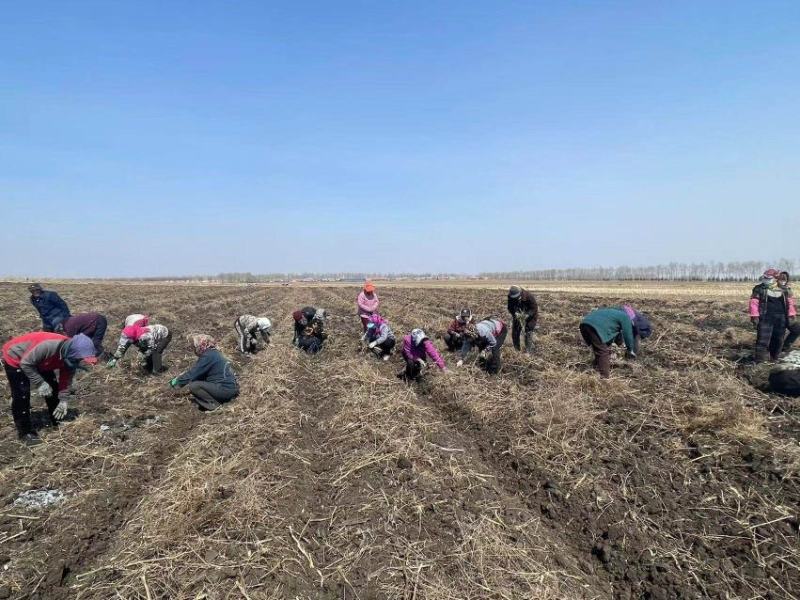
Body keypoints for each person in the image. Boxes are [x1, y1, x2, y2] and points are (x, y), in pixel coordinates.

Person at [2, 332, 98, 445]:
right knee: (22, 394)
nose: (79, 362)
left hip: (40, 361)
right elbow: (26, 363)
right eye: (79, 359)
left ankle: (57, 420)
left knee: (52, 386)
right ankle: (25, 432)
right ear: (72, 352)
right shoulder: (49, 346)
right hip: (16, 357)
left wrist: (63, 400)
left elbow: (65, 380)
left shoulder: (70, 358)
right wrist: (40, 383)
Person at [169, 334, 239, 411]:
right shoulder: (213, 353)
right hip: (229, 388)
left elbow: (193, 374)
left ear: (201, 345)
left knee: (195, 386)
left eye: (195, 347)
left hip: (225, 390)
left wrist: (175, 383)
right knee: (197, 381)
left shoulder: (208, 356)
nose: (194, 350)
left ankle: (214, 405)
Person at [750, 268, 797, 362]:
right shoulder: (759, 289)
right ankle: (759, 361)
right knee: (763, 340)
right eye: (765, 278)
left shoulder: (785, 290)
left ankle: (774, 359)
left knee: (778, 339)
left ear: (776, 279)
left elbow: (790, 303)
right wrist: (754, 316)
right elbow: (754, 303)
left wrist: (791, 315)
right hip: (765, 318)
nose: (766, 280)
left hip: (781, 318)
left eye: (768, 278)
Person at [580, 307, 636, 378]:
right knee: (603, 351)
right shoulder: (625, 317)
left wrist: (619, 343)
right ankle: (604, 378)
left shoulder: (613, 313)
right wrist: (630, 349)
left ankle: (595, 366)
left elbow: (616, 332)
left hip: (585, 323)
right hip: (596, 327)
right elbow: (628, 334)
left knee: (599, 348)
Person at [107, 322, 172, 373]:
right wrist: (115, 359)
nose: (128, 340)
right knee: (143, 349)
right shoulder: (126, 333)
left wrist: (140, 359)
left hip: (165, 334)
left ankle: (157, 370)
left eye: (129, 339)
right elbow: (122, 347)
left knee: (156, 351)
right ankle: (148, 367)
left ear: (133, 337)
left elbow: (151, 348)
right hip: (147, 338)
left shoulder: (145, 336)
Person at [507, 286, 539, 354]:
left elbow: (534, 309)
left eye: (516, 298)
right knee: (515, 332)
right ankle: (517, 350)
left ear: (520, 294)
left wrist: (527, 315)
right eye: (514, 298)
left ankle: (529, 351)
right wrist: (515, 313)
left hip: (531, 315)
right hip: (518, 315)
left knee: (528, 331)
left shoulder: (529, 297)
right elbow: (510, 307)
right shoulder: (510, 296)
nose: (515, 299)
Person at [778, 271, 800, 354]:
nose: (783, 280)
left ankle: (785, 346)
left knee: (797, 330)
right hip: (781, 316)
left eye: (785, 279)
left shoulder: (787, 288)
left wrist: (793, 313)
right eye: (781, 279)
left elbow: (790, 303)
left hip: (790, 316)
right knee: (779, 334)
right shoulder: (775, 289)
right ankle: (776, 351)